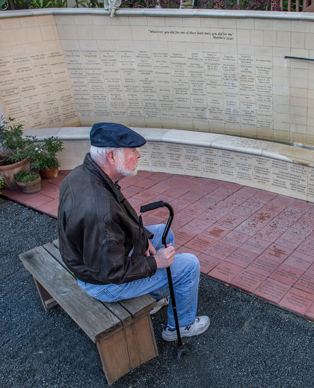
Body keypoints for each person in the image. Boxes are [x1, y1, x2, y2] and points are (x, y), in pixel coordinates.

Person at [57, 122, 209, 341]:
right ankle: (180, 327)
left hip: (92, 261)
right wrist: (155, 262)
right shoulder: (99, 211)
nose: (138, 156)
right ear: (111, 157)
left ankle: (155, 298)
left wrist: (142, 238)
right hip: (103, 284)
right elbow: (111, 272)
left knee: (162, 234)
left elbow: (115, 219)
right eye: (132, 151)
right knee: (189, 265)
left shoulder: (84, 174)